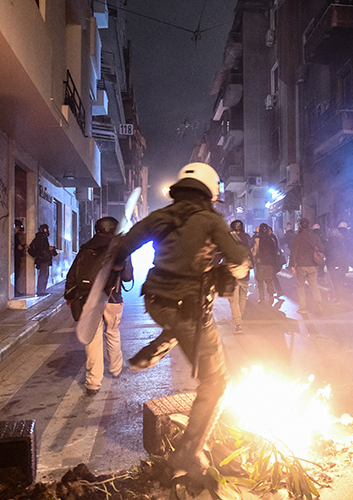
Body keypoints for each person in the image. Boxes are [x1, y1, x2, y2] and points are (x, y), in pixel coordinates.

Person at [115, 163, 250, 481]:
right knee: (216, 383)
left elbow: (124, 245)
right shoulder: (210, 219)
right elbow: (238, 257)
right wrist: (238, 265)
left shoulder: (161, 216)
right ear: (210, 190)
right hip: (190, 310)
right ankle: (189, 450)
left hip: (155, 303)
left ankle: (157, 346)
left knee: (184, 324)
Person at [65, 217, 133, 396]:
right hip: (112, 298)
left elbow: (72, 274)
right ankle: (116, 368)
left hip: (89, 299)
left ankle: (93, 383)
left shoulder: (86, 247)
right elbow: (127, 277)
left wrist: (70, 296)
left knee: (93, 339)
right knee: (112, 333)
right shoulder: (120, 247)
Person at [290, 218, 325, 315]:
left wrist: (292, 265)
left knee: (300, 286)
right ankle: (319, 305)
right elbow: (322, 248)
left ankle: (303, 307)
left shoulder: (297, 237)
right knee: (314, 286)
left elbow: (294, 252)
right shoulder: (315, 236)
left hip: (301, 265)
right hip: (313, 265)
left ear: (300, 226)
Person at [228, 220, 252, 333]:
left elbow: (220, 254)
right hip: (245, 272)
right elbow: (250, 253)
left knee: (233, 301)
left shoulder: (228, 239)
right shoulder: (247, 238)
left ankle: (238, 324)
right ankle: (239, 320)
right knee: (242, 298)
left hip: (232, 273)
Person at [252, 223, 279, 305]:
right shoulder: (272, 239)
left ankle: (262, 298)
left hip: (261, 263)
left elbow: (255, 251)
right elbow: (275, 251)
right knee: (269, 280)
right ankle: (271, 295)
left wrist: (253, 256)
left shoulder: (258, 239)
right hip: (270, 263)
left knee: (260, 281)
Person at [29, 224, 57, 296]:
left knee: (45, 275)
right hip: (43, 259)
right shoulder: (40, 238)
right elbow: (40, 248)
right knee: (43, 275)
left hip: (45, 259)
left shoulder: (43, 238)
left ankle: (42, 290)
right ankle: (40, 291)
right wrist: (48, 249)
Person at [325, 227, 348, 304]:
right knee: (339, 279)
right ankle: (339, 295)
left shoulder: (329, 242)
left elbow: (327, 252)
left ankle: (335, 297)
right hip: (341, 263)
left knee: (333, 281)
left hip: (331, 263)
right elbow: (345, 252)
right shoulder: (342, 241)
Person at [13, 219, 27, 297]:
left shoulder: (16, 236)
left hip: (16, 258)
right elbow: (18, 247)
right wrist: (23, 246)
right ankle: (14, 291)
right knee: (15, 276)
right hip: (15, 259)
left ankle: (15, 291)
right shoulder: (14, 237)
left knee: (17, 275)